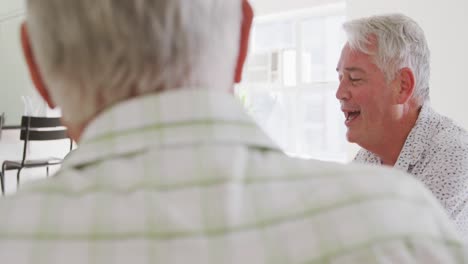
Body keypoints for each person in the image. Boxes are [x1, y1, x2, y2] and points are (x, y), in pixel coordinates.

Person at [0, 1, 466, 263]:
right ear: (244, 39)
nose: (337, 92)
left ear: (37, 66)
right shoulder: (399, 225)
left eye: (354, 78)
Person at [336, 13, 468, 239]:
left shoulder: (455, 155)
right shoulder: (366, 159)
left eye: (355, 79)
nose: (339, 94)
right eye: (340, 79)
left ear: (402, 86)